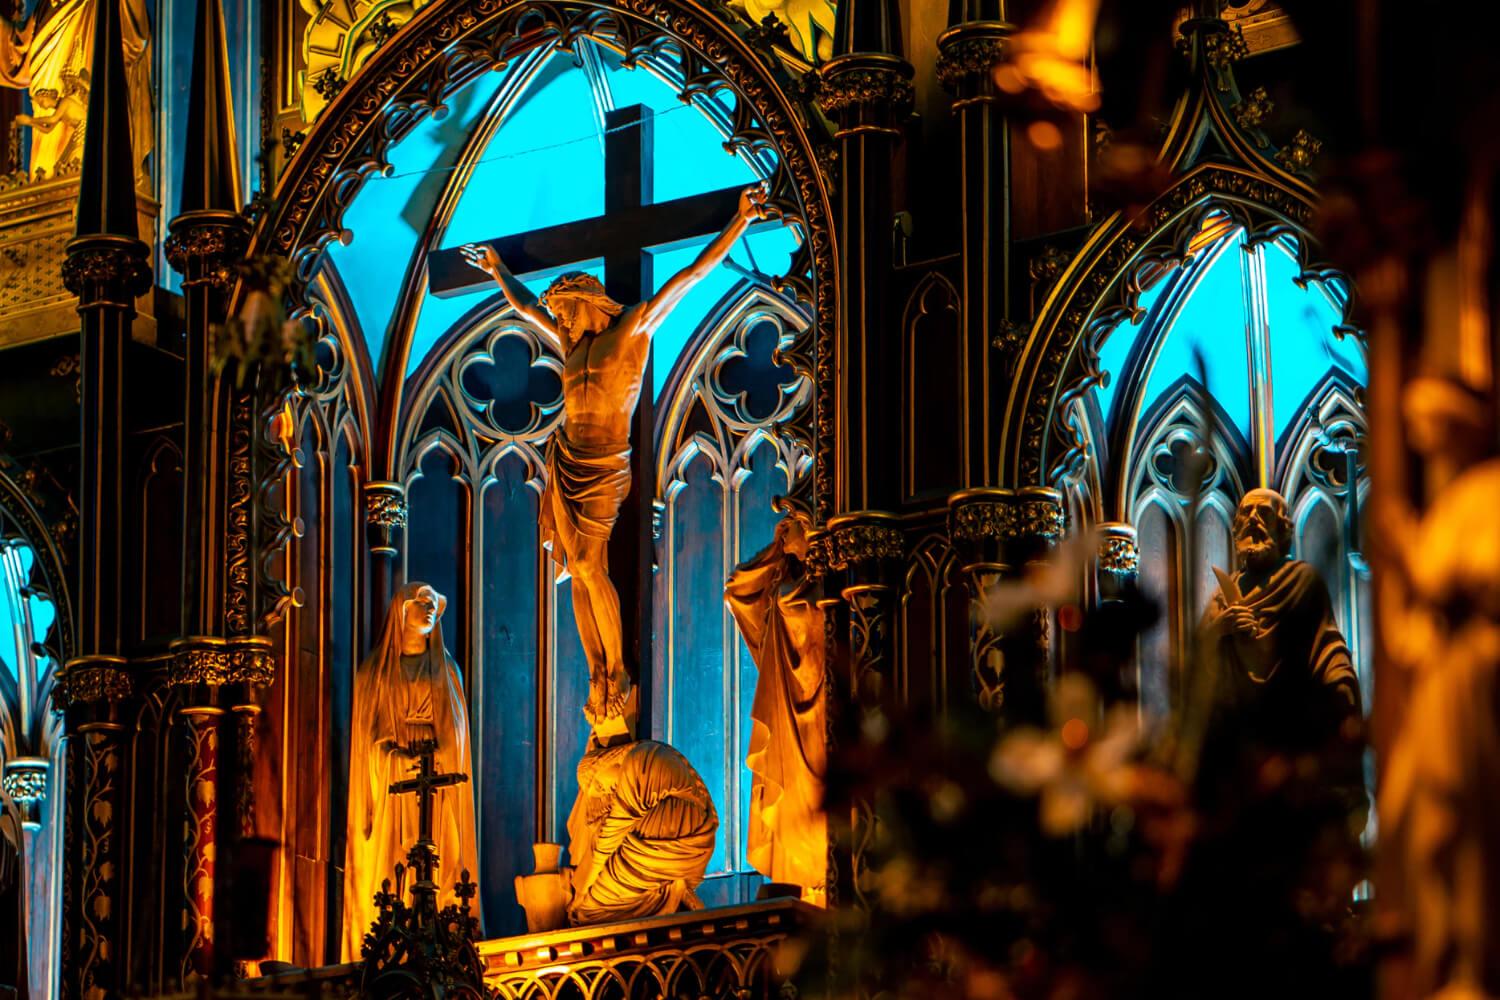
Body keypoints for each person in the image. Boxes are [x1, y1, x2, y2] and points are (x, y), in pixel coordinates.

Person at [460, 183, 779, 730]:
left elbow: (689, 278)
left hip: (604, 462)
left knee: (587, 565)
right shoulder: (571, 346)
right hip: (566, 458)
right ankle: (598, 672)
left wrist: (739, 223)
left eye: (565, 313)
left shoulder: (630, 331)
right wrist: (496, 273)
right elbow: (527, 309)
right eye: (558, 316)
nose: (557, 322)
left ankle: (619, 673)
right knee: (578, 573)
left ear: (588, 304)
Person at [343, 583, 480, 960]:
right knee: (395, 863)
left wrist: (435, 758)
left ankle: (443, 940)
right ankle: (390, 938)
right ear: (401, 610)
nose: (429, 608)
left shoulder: (446, 670)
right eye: (421, 602)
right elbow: (367, 742)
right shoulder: (374, 674)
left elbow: (456, 737)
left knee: (436, 858)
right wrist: (392, 756)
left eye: (434, 603)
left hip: (434, 784)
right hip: (394, 784)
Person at [725, 517, 827, 904]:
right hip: (789, 715)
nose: (785, 532)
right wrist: (776, 550)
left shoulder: (835, 583)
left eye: (794, 523)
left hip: (822, 712)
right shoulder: (782, 583)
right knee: (796, 810)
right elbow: (737, 590)